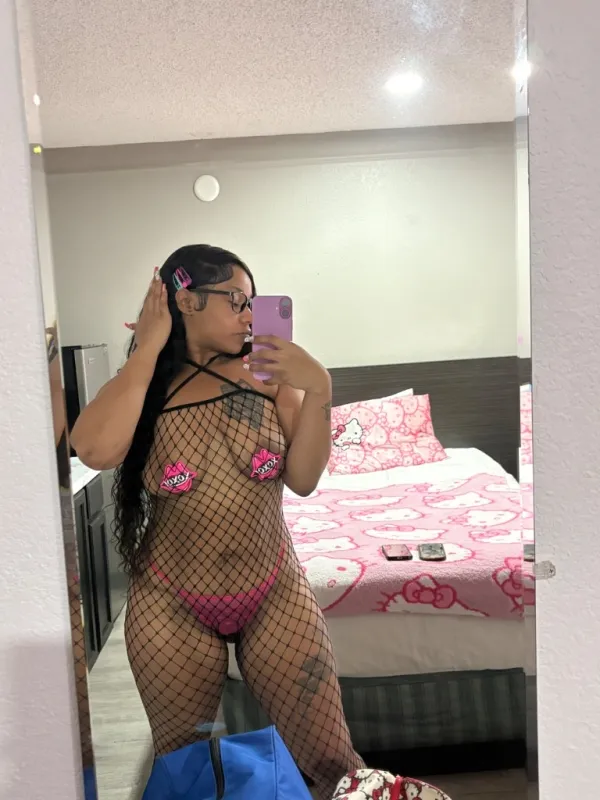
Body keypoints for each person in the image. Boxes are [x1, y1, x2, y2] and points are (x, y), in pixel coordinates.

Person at [71, 244, 364, 799]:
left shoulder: (267, 374)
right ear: (187, 300)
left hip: (274, 591)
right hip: (171, 603)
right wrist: (148, 348)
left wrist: (319, 387)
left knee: (331, 761)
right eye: (236, 301)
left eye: (252, 302)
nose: (250, 316)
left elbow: (303, 478)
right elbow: (94, 449)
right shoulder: (146, 386)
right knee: (184, 772)